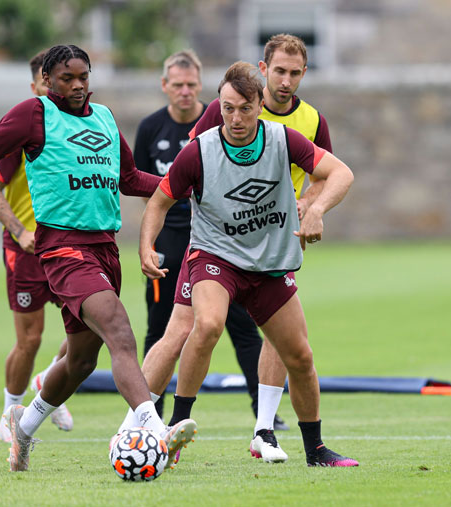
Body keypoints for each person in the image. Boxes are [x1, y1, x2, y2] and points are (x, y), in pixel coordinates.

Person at [0, 44, 197, 473]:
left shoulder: (105, 118)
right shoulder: (33, 115)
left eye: (83, 77)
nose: (76, 86)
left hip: (106, 249)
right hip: (63, 250)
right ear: (47, 81)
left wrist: (185, 183)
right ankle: (153, 427)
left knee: (81, 360)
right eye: (66, 78)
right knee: (120, 332)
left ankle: (24, 426)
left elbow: (129, 180)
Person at [139, 61, 358, 467]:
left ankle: (315, 449)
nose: (234, 118)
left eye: (243, 108)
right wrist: (146, 246)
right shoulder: (199, 150)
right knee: (204, 325)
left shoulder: (283, 138)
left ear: (260, 105)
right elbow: (159, 201)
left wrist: (316, 208)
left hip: (268, 260)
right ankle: (175, 426)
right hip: (215, 256)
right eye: (226, 108)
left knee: (301, 357)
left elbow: (340, 173)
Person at [188, 34, 333, 462]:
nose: (286, 81)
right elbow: (194, 157)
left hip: (276, 236)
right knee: (187, 328)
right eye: (278, 71)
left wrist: (311, 205)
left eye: (294, 73)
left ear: (304, 73)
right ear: (262, 68)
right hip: (218, 241)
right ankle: (146, 423)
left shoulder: (312, 120)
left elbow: (326, 171)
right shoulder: (231, 104)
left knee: (278, 331)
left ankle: (264, 429)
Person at [133, 50, 283, 426]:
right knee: (164, 327)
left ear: (202, 86)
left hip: (219, 238)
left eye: (191, 84)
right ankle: (148, 417)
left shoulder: (219, 117)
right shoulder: (151, 128)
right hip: (171, 238)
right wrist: (151, 236)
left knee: (240, 326)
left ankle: (263, 415)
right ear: (165, 86)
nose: (185, 91)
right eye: (177, 84)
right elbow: (143, 188)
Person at [0, 50, 73, 443]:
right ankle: (9, 412)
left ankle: (49, 381)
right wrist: (20, 231)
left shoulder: (76, 129)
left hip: (69, 246)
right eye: (47, 81)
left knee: (92, 326)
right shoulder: (20, 131)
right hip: (27, 251)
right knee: (30, 338)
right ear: (36, 85)